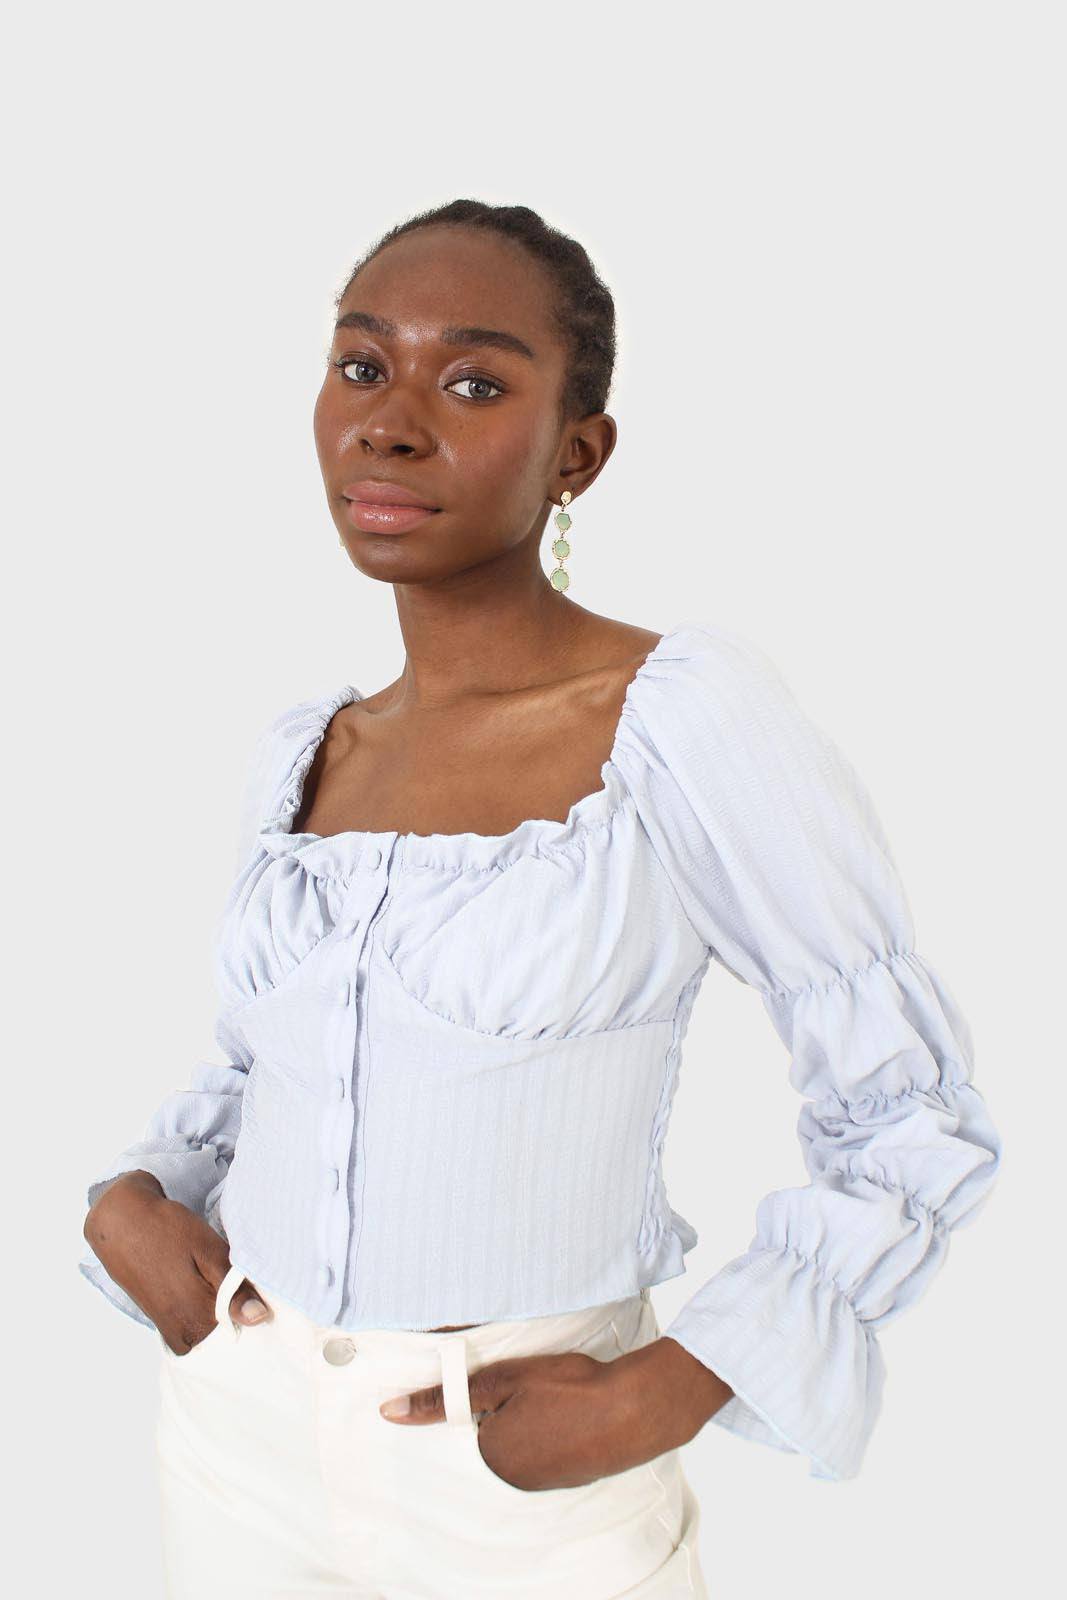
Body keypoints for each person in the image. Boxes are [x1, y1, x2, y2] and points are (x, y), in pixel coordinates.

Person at [79, 199, 1002, 1600]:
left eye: (473, 384)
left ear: (580, 453)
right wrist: (135, 1200)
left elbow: (910, 1112)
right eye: (361, 365)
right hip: (236, 1439)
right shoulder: (310, 746)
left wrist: (671, 1385)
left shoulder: (676, 719)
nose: (391, 425)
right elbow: (273, 1061)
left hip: (522, 1476)